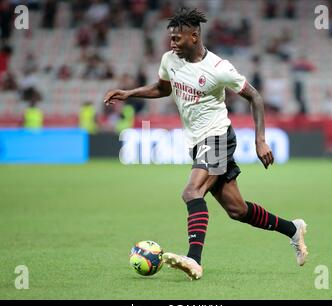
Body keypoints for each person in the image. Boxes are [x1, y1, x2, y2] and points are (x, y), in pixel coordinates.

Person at [104, 8, 308, 280]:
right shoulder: (170, 60)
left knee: (191, 192)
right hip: (197, 142)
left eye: (177, 38)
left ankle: (194, 259)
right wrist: (129, 93)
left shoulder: (218, 68)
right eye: (171, 38)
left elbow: (255, 97)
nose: (172, 43)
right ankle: (293, 229)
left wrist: (260, 140)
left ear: (194, 35)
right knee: (238, 210)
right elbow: (164, 89)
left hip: (218, 137)